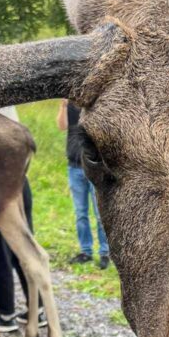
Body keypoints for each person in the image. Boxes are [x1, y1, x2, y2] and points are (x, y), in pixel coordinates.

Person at [0, 106, 46, 332]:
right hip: (20, 182)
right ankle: (37, 309)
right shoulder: (9, 113)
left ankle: (5, 314)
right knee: (23, 249)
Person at [57, 98, 109, 269]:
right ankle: (85, 251)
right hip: (74, 167)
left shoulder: (94, 106)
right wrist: (63, 105)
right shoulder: (70, 106)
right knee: (81, 213)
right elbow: (62, 126)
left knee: (100, 214)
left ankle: (104, 252)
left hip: (94, 168)